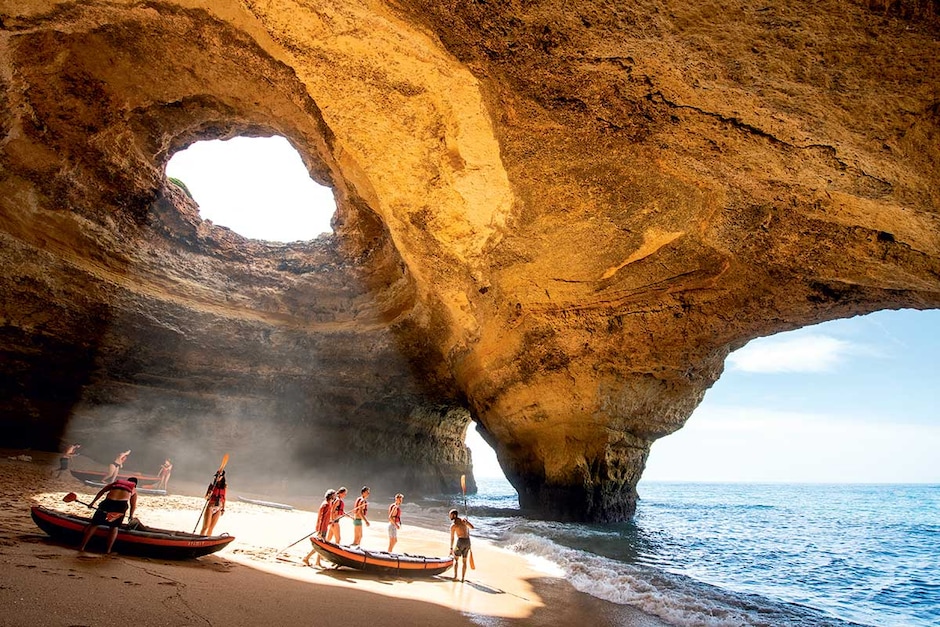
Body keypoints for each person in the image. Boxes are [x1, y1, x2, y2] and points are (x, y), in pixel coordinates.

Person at [78, 477, 138, 554]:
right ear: (135, 484)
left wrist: (92, 503)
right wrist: (131, 516)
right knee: (114, 527)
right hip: (120, 506)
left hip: (107, 503)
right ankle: (108, 550)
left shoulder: (116, 483)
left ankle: (82, 547)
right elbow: (133, 505)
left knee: (94, 524)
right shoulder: (134, 489)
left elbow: (101, 492)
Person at [303, 489, 336, 567]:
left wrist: (329, 522)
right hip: (322, 528)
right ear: (331, 496)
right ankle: (307, 558)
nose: (335, 497)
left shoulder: (327, 503)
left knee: (320, 545)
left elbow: (325, 518)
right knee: (320, 545)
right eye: (334, 495)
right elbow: (321, 518)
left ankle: (317, 561)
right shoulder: (326, 505)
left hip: (323, 527)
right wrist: (320, 530)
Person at [448, 508, 475, 582]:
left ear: (454, 515)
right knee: (464, 561)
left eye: (450, 514)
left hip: (460, 542)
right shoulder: (463, 521)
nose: (449, 516)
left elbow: (452, 538)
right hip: (468, 542)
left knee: (456, 559)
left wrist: (451, 548)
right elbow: (472, 527)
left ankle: (455, 577)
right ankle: (463, 578)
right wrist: (467, 523)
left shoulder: (453, 525)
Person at [200, 471, 227, 536]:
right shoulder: (212, 486)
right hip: (211, 507)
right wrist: (209, 494)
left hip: (218, 508)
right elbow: (206, 497)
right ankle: (200, 538)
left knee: (211, 528)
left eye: (219, 476)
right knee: (206, 526)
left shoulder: (225, 486)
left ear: (222, 477)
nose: (217, 477)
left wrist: (223, 508)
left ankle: (207, 539)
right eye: (216, 476)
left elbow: (224, 498)